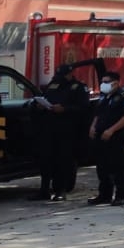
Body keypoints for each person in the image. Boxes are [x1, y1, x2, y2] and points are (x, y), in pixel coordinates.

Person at [32, 66, 92, 201]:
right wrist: (40, 106)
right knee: (45, 160)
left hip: (67, 131)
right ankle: (44, 190)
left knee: (63, 161)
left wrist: (64, 109)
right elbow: (44, 98)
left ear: (71, 74)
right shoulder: (53, 85)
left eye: (64, 75)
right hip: (49, 129)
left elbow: (84, 109)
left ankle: (60, 190)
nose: (60, 77)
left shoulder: (78, 87)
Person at [86, 70, 124, 205]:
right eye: (102, 82)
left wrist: (111, 130)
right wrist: (93, 126)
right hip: (101, 136)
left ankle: (121, 196)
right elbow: (98, 114)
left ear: (116, 83)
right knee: (102, 167)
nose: (103, 84)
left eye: (106, 82)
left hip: (117, 136)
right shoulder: (103, 97)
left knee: (119, 167)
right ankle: (104, 195)